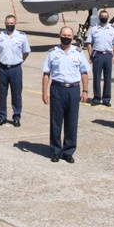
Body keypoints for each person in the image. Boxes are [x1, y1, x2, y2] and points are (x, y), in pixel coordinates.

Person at [41, 27, 90, 163]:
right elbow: (46, 74)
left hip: (73, 89)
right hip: (57, 88)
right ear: (60, 36)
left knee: (71, 121)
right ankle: (56, 151)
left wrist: (85, 91)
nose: (66, 37)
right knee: (56, 121)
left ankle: (68, 151)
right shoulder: (52, 53)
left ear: (72, 37)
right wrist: (44, 92)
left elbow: (84, 73)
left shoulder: (78, 53)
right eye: (64, 35)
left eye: (69, 35)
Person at [0, 14, 30, 127]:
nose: (10, 25)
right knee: (2, 94)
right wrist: (4, 59)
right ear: (5, 24)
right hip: (3, 68)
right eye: (8, 24)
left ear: (15, 24)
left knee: (16, 94)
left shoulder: (22, 36)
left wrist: (18, 61)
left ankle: (16, 117)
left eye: (11, 23)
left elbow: (26, 52)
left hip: (16, 69)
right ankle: (2, 116)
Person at [86, 9, 114, 106]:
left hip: (108, 55)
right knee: (96, 77)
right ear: (99, 18)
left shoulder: (112, 29)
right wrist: (90, 56)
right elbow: (89, 43)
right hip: (97, 55)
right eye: (102, 16)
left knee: (107, 78)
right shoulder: (94, 29)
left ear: (108, 18)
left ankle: (106, 99)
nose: (104, 18)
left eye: (106, 16)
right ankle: (97, 98)